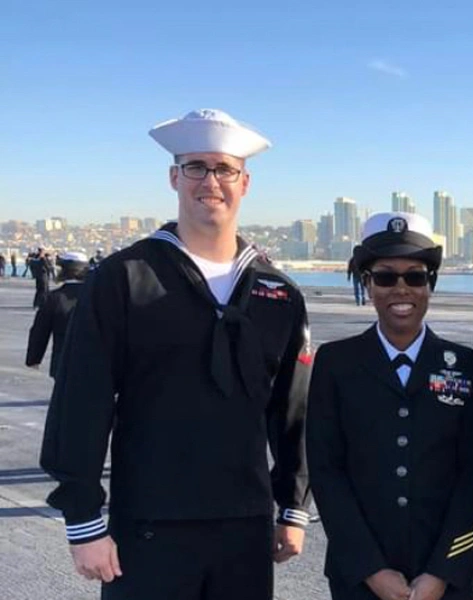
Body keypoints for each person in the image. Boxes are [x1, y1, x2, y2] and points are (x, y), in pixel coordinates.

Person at [40, 108, 313, 600]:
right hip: (149, 522)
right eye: (196, 167)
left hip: (245, 527)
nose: (211, 181)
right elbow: (82, 399)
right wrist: (82, 517)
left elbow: (292, 411)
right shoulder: (125, 278)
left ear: (245, 183)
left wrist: (293, 506)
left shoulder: (279, 293)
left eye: (224, 168)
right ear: (174, 177)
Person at [308, 212, 473, 600]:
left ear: (431, 284)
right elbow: (327, 471)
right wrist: (370, 568)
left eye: (416, 276)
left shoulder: (467, 365)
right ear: (367, 284)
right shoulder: (336, 363)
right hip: (360, 575)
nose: (401, 289)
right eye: (386, 277)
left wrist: (441, 570)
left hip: (446, 575)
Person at [25, 251, 89, 377]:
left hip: (63, 363)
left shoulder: (54, 298)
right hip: (96, 363)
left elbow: (40, 330)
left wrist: (34, 358)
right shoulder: (98, 296)